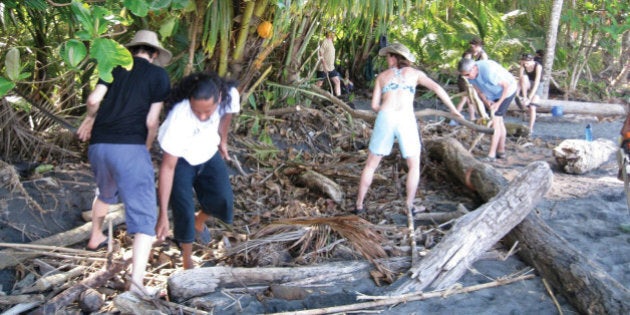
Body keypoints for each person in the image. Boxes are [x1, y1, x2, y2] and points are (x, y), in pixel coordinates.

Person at [76, 30, 171, 294]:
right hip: (130, 148)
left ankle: (95, 235)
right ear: (153, 54)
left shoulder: (114, 66)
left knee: (105, 192)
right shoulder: (158, 75)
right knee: (144, 215)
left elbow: (93, 100)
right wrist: (146, 148)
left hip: (99, 147)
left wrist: (90, 118)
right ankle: (137, 284)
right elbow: (152, 122)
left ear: (132, 50)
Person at [355, 43, 463, 216]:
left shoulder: (382, 77)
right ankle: (409, 205)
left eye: (388, 57)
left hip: (386, 117)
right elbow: (437, 88)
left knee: (371, 165)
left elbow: (374, 105)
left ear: (394, 57)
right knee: (414, 165)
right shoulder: (415, 74)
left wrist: (385, 110)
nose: (386, 60)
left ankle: (359, 205)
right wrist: (454, 109)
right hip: (406, 118)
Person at [156, 72, 238, 269]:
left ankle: (199, 221)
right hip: (182, 161)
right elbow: (167, 168)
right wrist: (163, 215)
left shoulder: (229, 95)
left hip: (209, 153)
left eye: (207, 112)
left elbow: (227, 115)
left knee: (223, 198)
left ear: (218, 98)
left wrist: (223, 141)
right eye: (196, 111)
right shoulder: (179, 117)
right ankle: (187, 260)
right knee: (183, 209)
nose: (202, 116)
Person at [458, 58, 517, 162]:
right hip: (492, 95)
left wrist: (498, 103)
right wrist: (487, 101)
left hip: (507, 92)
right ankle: (501, 151)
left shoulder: (488, 72)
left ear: (474, 68)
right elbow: (479, 90)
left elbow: (506, 86)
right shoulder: (470, 75)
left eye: (467, 75)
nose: (466, 77)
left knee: (495, 121)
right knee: (499, 122)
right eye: (464, 76)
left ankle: (491, 154)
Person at [518, 53, 543, 134]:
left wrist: (530, 97)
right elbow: (520, 79)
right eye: (524, 62)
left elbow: (536, 83)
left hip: (537, 85)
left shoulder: (538, 66)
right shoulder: (523, 65)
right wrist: (518, 95)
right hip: (528, 83)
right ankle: (524, 97)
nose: (526, 64)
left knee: (532, 107)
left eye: (527, 63)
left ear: (532, 61)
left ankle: (530, 128)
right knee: (524, 77)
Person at [316, 30, 342, 97]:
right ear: (328, 33)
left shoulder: (331, 42)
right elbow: (320, 53)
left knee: (337, 81)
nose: (334, 34)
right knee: (319, 84)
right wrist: (324, 66)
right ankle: (310, 99)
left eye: (334, 33)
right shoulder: (324, 41)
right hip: (323, 67)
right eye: (332, 33)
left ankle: (339, 99)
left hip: (331, 67)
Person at [456, 49, 478, 121]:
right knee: (465, 99)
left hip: (466, 80)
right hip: (464, 81)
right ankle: (456, 117)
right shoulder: (466, 60)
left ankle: (472, 117)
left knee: (468, 100)